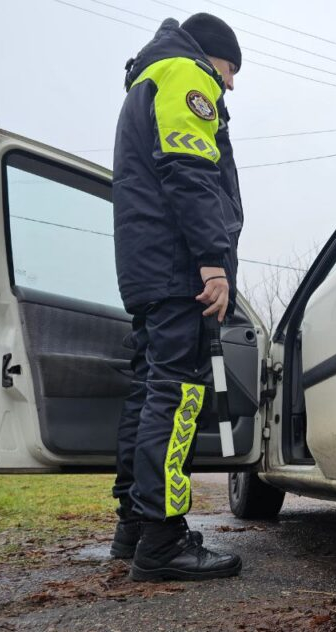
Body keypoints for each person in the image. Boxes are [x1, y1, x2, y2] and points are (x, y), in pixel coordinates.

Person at [107, 13, 245, 581]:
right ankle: (164, 539)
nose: (230, 84)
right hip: (178, 267)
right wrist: (212, 261)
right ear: (211, 54)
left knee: (147, 391)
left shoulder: (149, 79)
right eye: (231, 69)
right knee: (179, 393)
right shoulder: (185, 75)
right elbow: (189, 171)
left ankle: (135, 528)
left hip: (150, 268)